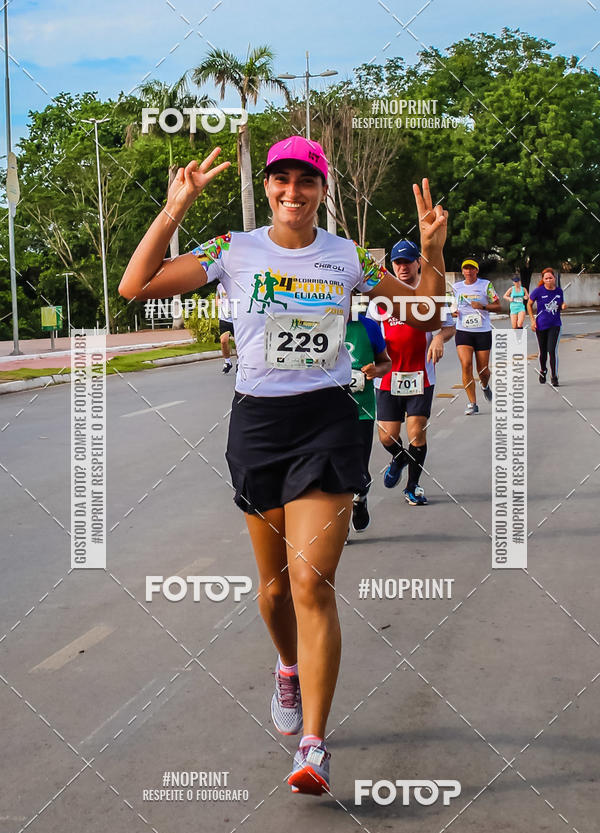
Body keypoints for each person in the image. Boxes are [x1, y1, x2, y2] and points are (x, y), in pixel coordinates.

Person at [119, 137, 448, 795]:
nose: (292, 191)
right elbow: (136, 286)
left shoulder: (347, 257)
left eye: (305, 180)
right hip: (259, 427)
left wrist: (432, 251)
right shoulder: (231, 250)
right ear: (268, 187)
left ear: (322, 189)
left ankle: (314, 745)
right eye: (281, 180)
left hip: (329, 421)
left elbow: (426, 310)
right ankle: (286, 667)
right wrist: (172, 211)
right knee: (274, 590)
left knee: (311, 583)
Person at [371, 239, 455, 505]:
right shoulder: (381, 296)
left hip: (421, 375)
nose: (403, 267)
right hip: (387, 376)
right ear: (392, 265)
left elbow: (449, 326)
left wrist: (440, 338)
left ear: (419, 262)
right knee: (386, 435)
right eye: (398, 262)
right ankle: (399, 458)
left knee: (417, 432)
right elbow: (368, 330)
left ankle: (413, 486)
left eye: (408, 261)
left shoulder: (429, 292)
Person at [344, 308, 391, 531]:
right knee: (332, 468)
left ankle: (360, 499)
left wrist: (375, 370)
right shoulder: (318, 324)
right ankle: (339, 523)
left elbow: (386, 363)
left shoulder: (369, 326)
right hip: (326, 410)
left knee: (358, 469)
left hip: (362, 410)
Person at [451, 259, 501, 415]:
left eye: (472, 268)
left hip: (482, 331)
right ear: (463, 271)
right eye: (466, 268)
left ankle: (485, 386)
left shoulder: (486, 285)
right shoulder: (456, 287)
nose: (469, 271)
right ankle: (472, 402)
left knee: (483, 370)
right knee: (466, 365)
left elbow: (498, 306)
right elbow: (451, 304)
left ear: (476, 271)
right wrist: (453, 311)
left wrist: (483, 306)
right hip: (463, 330)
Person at [528, 267, 566, 387]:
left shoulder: (559, 291)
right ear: (543, 280)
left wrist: (563, 305)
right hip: (541, 325)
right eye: (546, 278)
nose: (549, 280)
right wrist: (532, 321)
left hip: (555, 325)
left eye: (550, 278)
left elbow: (560, 305)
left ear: (554, 278)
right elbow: (529, 305)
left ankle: (554, 376)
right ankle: (543, 370)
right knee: (543, 352)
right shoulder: (538, 291)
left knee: (552, 350)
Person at [216, 281, 234, 373]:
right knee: (223, 341)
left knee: (239, 343)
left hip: (236, 318)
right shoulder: (219, 286)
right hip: (224, 318)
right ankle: (227, 362)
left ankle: (240, 363)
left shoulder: (237, 283)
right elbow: (217, 297)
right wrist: (219, 304)